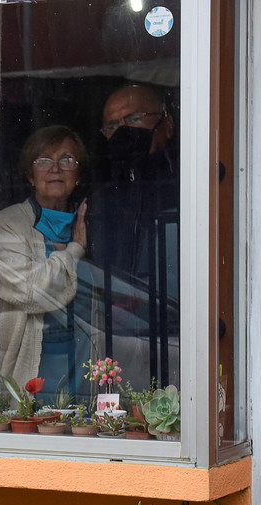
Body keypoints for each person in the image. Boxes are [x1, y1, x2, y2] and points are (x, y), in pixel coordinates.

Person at [87, 83, 179, 388]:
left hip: (182, 336)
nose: (123, 131)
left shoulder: (190, 185)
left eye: (135, 118)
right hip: (117, 338)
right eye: (113, 125)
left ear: (167, 123)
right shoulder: (101, 199)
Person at [0, 125, 89, 395]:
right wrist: (74, 251)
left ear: (78, 175)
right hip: (32, 364)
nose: (55, 168)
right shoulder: (6, 226)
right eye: (44, 160)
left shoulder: (91, 222)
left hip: (81, 361)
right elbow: (32, 290)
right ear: (30, 174)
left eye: (67, 160)